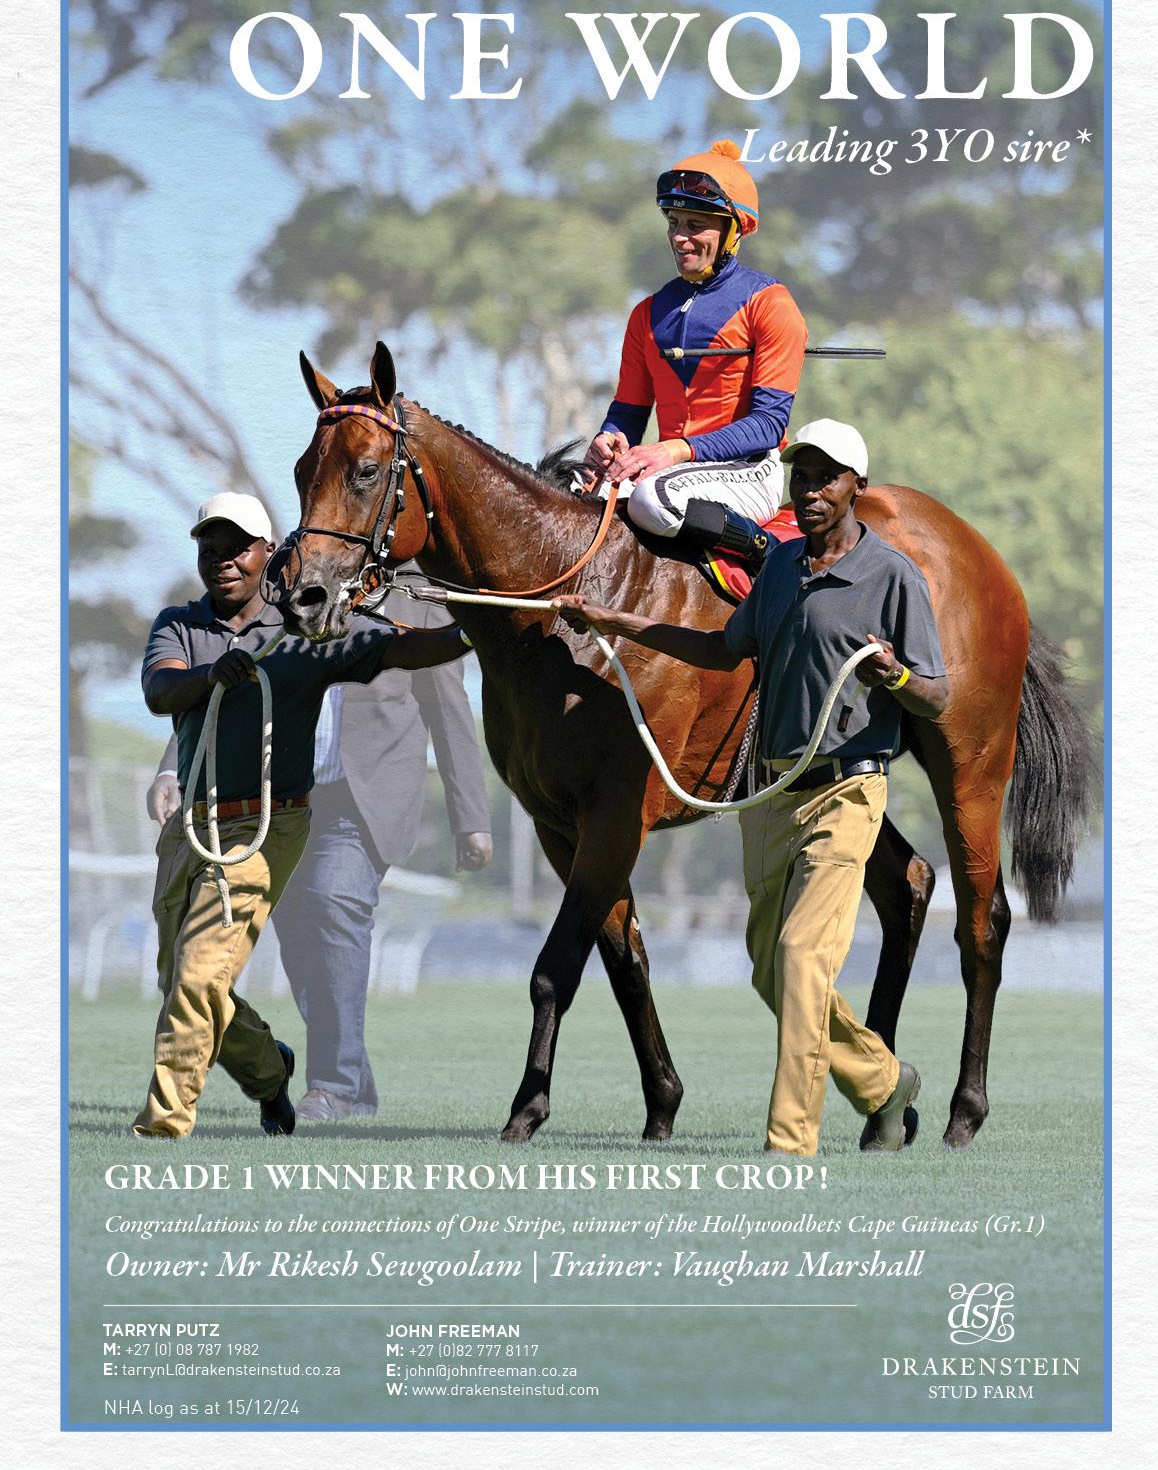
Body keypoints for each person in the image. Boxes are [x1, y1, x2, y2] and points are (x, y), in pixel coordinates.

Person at [553, 420, 949, 1156]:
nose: (811, 490)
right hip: (768, 797)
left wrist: (893, 675)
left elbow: (935, 695)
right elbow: (720, 648)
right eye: (802, 476)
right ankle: (885, 1081)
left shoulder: (892, 575)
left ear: (856, 487)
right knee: (772, 970)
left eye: (827, 478)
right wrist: (614, 620)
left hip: (846, 794)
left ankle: (789, 1145)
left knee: (802, 957)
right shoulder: (782, 566)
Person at [135, 494, 473, 1139]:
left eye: (238, 548)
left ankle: (165, 1123)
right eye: (211, 548)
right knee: (179, 977)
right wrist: (212, 680)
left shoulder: (308, 627)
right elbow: (161, 692)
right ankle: (271, 1071)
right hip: (193, 827)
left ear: (267, 553)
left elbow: (410, 652)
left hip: (274, 825)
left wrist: (483, 626)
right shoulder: (178, 624)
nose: (224, 560)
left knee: (203, 974)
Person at [584, 138, 808, 569]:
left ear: (734, 230)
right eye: (674, 222)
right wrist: (609, 438)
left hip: (748, 470)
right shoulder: (646, 313)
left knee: (651, 500)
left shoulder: (771, 304)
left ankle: (769, 557)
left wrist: (675, 450)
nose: (680, 237)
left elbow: (768, 424)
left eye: (695, 225)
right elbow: (629, 411)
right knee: (567, 495)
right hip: (671, 468)